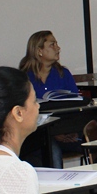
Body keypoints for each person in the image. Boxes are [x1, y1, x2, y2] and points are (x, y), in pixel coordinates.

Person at [20, 30, 81, 168]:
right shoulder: (24, 77)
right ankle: (57, 189)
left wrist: (71, 129)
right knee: (51, 152)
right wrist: (54, 134)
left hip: (66, 130)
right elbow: (22, 113)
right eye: (52, 44)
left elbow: (76, 103)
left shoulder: (63, 73)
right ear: (39, 50)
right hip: (37, 134)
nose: (58, 48)